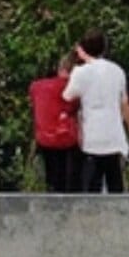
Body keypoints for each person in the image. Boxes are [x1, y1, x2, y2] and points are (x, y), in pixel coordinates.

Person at [64, 36, 129, 193]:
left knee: (92, 186)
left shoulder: (80, 72)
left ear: (83, 50)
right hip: (114, 137)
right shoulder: (117, 70)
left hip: (92, 139)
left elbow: (67, 97)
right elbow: (124, 103)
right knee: (115, 183)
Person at [28, 49, 81, 195]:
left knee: (51, 178)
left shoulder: (36, 87)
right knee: (70, 180)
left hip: (44, 139)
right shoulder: (73, 88)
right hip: (67, 140)